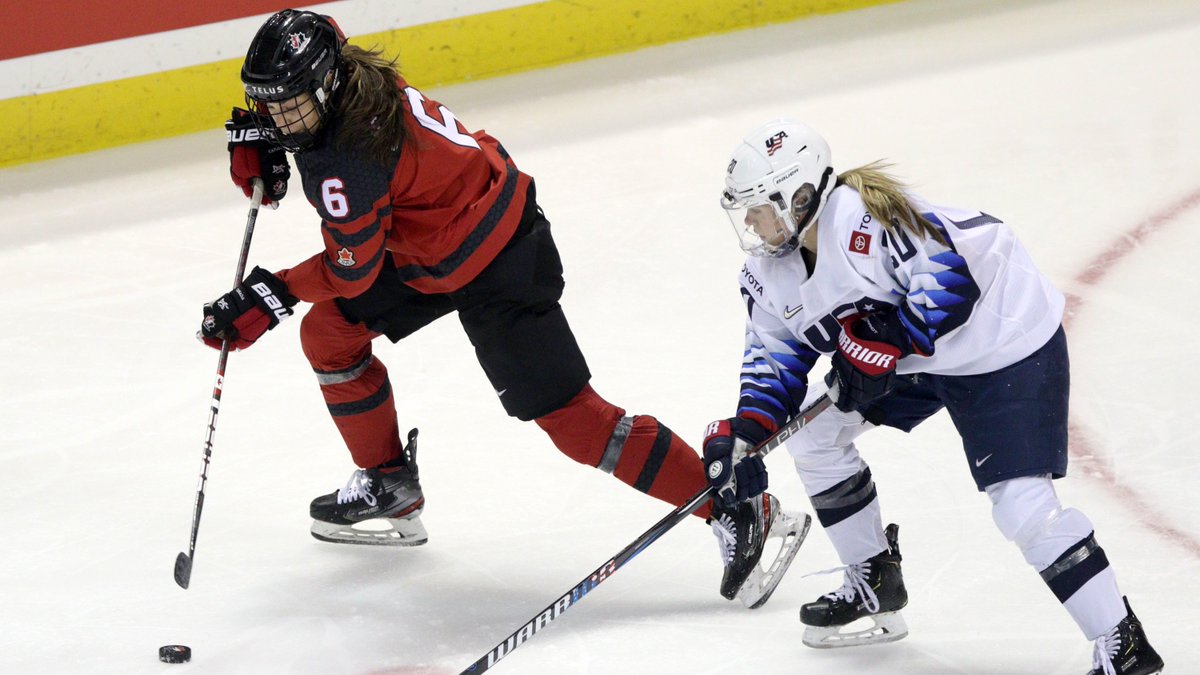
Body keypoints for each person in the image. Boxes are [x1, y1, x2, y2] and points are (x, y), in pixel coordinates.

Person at [198, 9, 807, 606]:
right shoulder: (360, 84)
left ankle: (731, 501)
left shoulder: (346, 159)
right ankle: (389, 485)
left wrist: (272, 291)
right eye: (268, 104)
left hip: (498, 258)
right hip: (441, 237)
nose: (278, 117)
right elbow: (361, 218)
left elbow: (351, 270)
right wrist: (280, 145)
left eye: (290, 102)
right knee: (329, 335)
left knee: (573, 421)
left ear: (327, 82)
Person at [705, 118, 1164, 673]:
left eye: (758, 205)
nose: (749, 222)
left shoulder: (865, 220)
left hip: (1003, 340)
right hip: (922, 360)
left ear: (798, 196)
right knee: (816, 437)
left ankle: (1123, 642)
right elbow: (773, 360)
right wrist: (745, 439)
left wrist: (883, 343)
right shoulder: (766, 272)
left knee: (1021, 505)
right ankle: (874, 577)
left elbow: (950, 280)